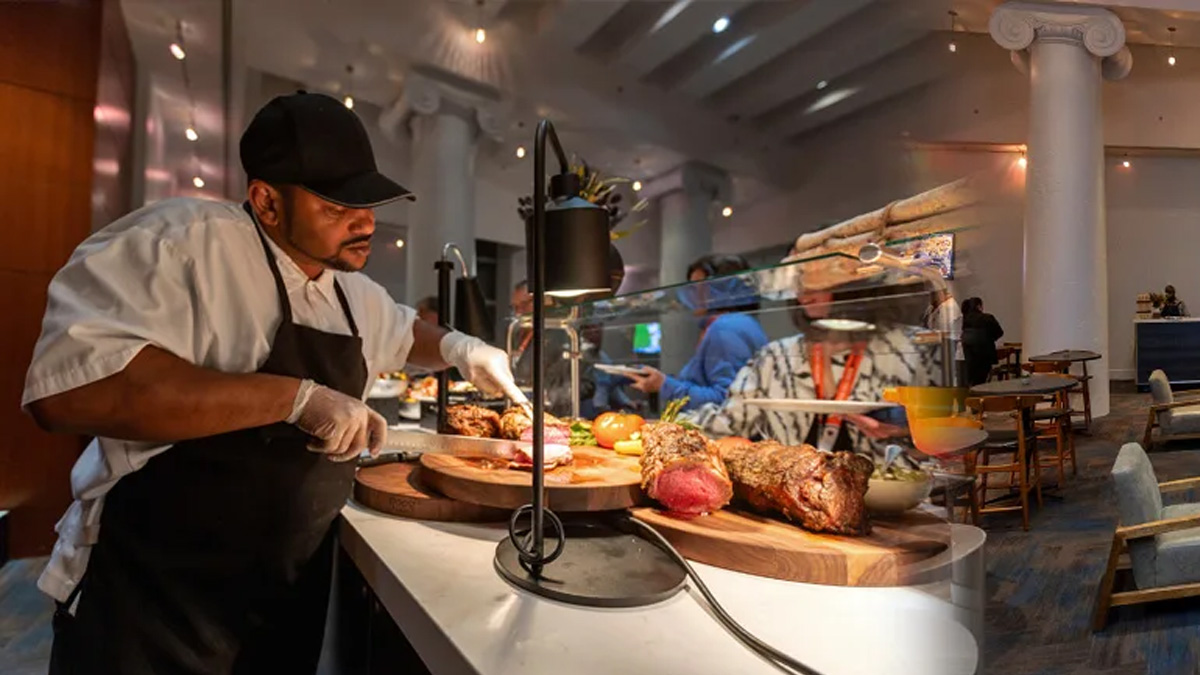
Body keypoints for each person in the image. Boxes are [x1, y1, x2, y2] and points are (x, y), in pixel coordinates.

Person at [23, 92, 525, 674]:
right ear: (266, 201)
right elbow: (69, 391)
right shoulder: (182, 245)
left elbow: (407, 332)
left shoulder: (351, 293)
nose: (365, 222)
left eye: (368, 202)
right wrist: (293, 399)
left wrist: (463, 350)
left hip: (283, 601)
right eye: (339, 206)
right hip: (154, 603)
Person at [685, 286, 942, 460]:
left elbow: (960, 422)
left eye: (817, 282)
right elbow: (729, 420)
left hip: (900, 504)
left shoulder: (913, 347)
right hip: (795, 503)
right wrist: (666, 427)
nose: (804, 295)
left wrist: (905, 426)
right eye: (799, 283)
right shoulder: (775, 356)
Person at [628, 254, 768, 411]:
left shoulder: (725, 328)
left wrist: (664, 385)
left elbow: (727, 399)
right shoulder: (740, 323)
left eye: (699, 286)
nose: (693, 294)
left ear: (722, 288)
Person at [960, 297, 1005, 386]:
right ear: (979, 306)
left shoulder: (965, 319)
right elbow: (999, 332)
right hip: (985, 353)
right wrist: (990, 338)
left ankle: (972, 396)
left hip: (968, 354)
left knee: (973, 379)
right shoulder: (987, 318)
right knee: (982, 379)